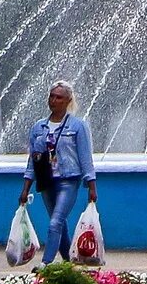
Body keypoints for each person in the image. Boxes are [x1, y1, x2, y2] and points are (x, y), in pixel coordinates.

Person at [18, 81, 97, 266]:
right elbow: (32, 160)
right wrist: (25, 188)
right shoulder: (39, 127)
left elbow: (86, 158)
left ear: (68, 100)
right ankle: (69, 264)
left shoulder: (77, 126)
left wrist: (91, 186)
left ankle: (46, 263)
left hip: (68, 180)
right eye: (51, 96)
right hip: (47, 181)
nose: (53, 100)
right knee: (60, 224)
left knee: (55, 222)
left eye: (59, 97)